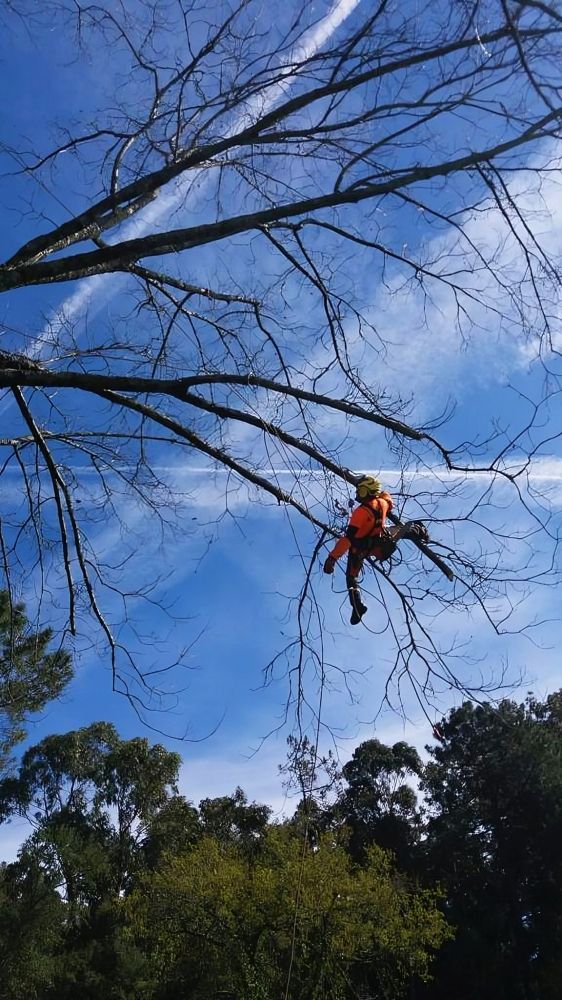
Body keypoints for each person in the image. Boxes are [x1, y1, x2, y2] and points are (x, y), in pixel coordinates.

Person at [323, 476, 428, 625]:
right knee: (398, 531)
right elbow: (388, 498)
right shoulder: (383, 503)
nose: (357, 494)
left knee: (351, 578)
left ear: (366, 490)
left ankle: (357, 606)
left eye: (360, 490)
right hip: (379, 539)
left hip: (361, 548)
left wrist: (332, 558)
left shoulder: (360, 513)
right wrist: (380, 495)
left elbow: (347, 540)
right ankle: (419, 530)